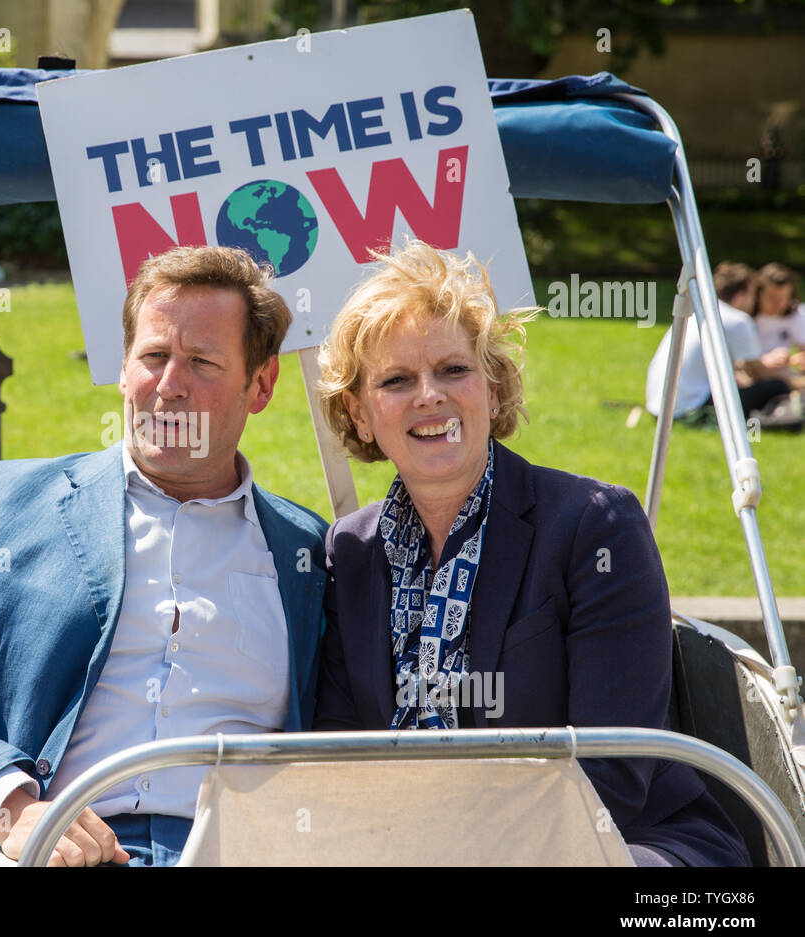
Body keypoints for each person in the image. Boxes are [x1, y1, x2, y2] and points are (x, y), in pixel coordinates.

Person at [0, 246, 328, 866]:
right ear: (122, 368)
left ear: (262, 384)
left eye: (202, 361)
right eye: (153, 357)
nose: (170, 386)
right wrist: (16, 811)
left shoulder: (311, 552)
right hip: (38, 850)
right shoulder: (1, 504)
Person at [313, 239, 750, 867]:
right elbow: (335, 750)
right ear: (359, 415)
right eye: (397, 380)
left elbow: (612, 776)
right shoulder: (349, 552)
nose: (429, 395)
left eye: (453, 370)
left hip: (623, 847)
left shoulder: (595, 526)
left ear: (492, 391)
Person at [644, 261, 792, 422]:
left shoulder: (698, 312)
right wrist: (796, 383)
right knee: (777, 387)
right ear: (741, 296)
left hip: (659, 406)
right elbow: (761, 374)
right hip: (690, 408)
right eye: (752, 295)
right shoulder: (737, 320)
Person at [753, 262, 805, 373]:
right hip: (755, 378)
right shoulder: (747, 318)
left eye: (784, 298)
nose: (779, 304)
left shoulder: (796, 314)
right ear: (758, 295)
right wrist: (764, 362)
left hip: (787, 379)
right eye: (772, 298)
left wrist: (797, 359)